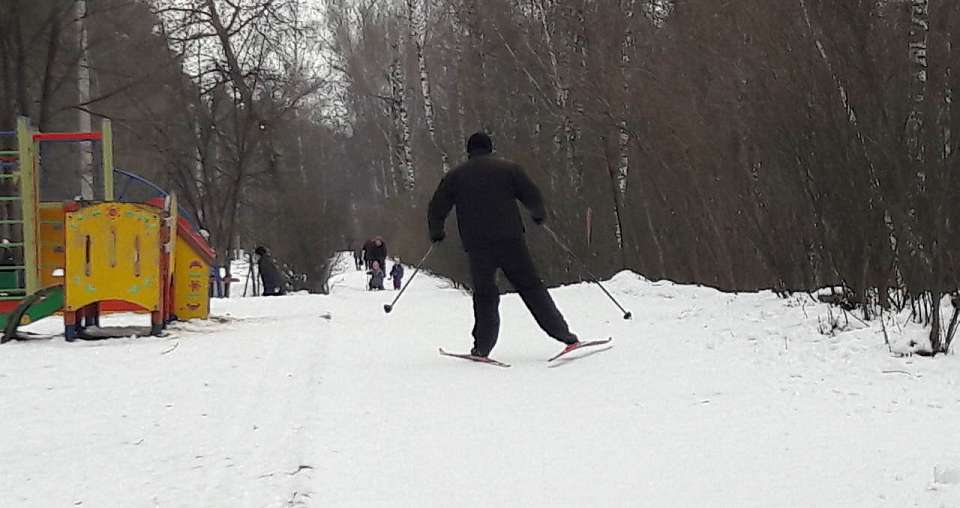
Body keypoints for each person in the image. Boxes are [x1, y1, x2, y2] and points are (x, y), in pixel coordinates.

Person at [427, 132, 580, 358]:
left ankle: (482, 348)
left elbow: (437, 206)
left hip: (477, 244)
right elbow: (531, 193)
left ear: (469, 151)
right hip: (511, 240)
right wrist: (537, 214)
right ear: (490, 148)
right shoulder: (508, 169)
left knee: (485, 295)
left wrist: (437, 232)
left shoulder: (455, 176)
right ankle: (566, 337)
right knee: (532, 288)